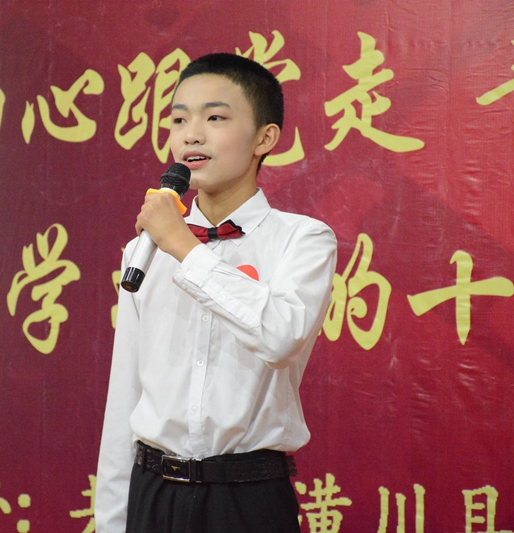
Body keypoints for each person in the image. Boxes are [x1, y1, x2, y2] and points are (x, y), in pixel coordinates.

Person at [95, 52, 337, 533]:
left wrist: (184, 247)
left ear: (265, 138)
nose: (191, 135)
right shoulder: (143, 250)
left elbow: (280, 337)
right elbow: (126, 393)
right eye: (179, 119)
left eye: (215, 118)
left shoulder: (303, 239)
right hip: (153, 493)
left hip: (248, 498)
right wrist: (112, 522)